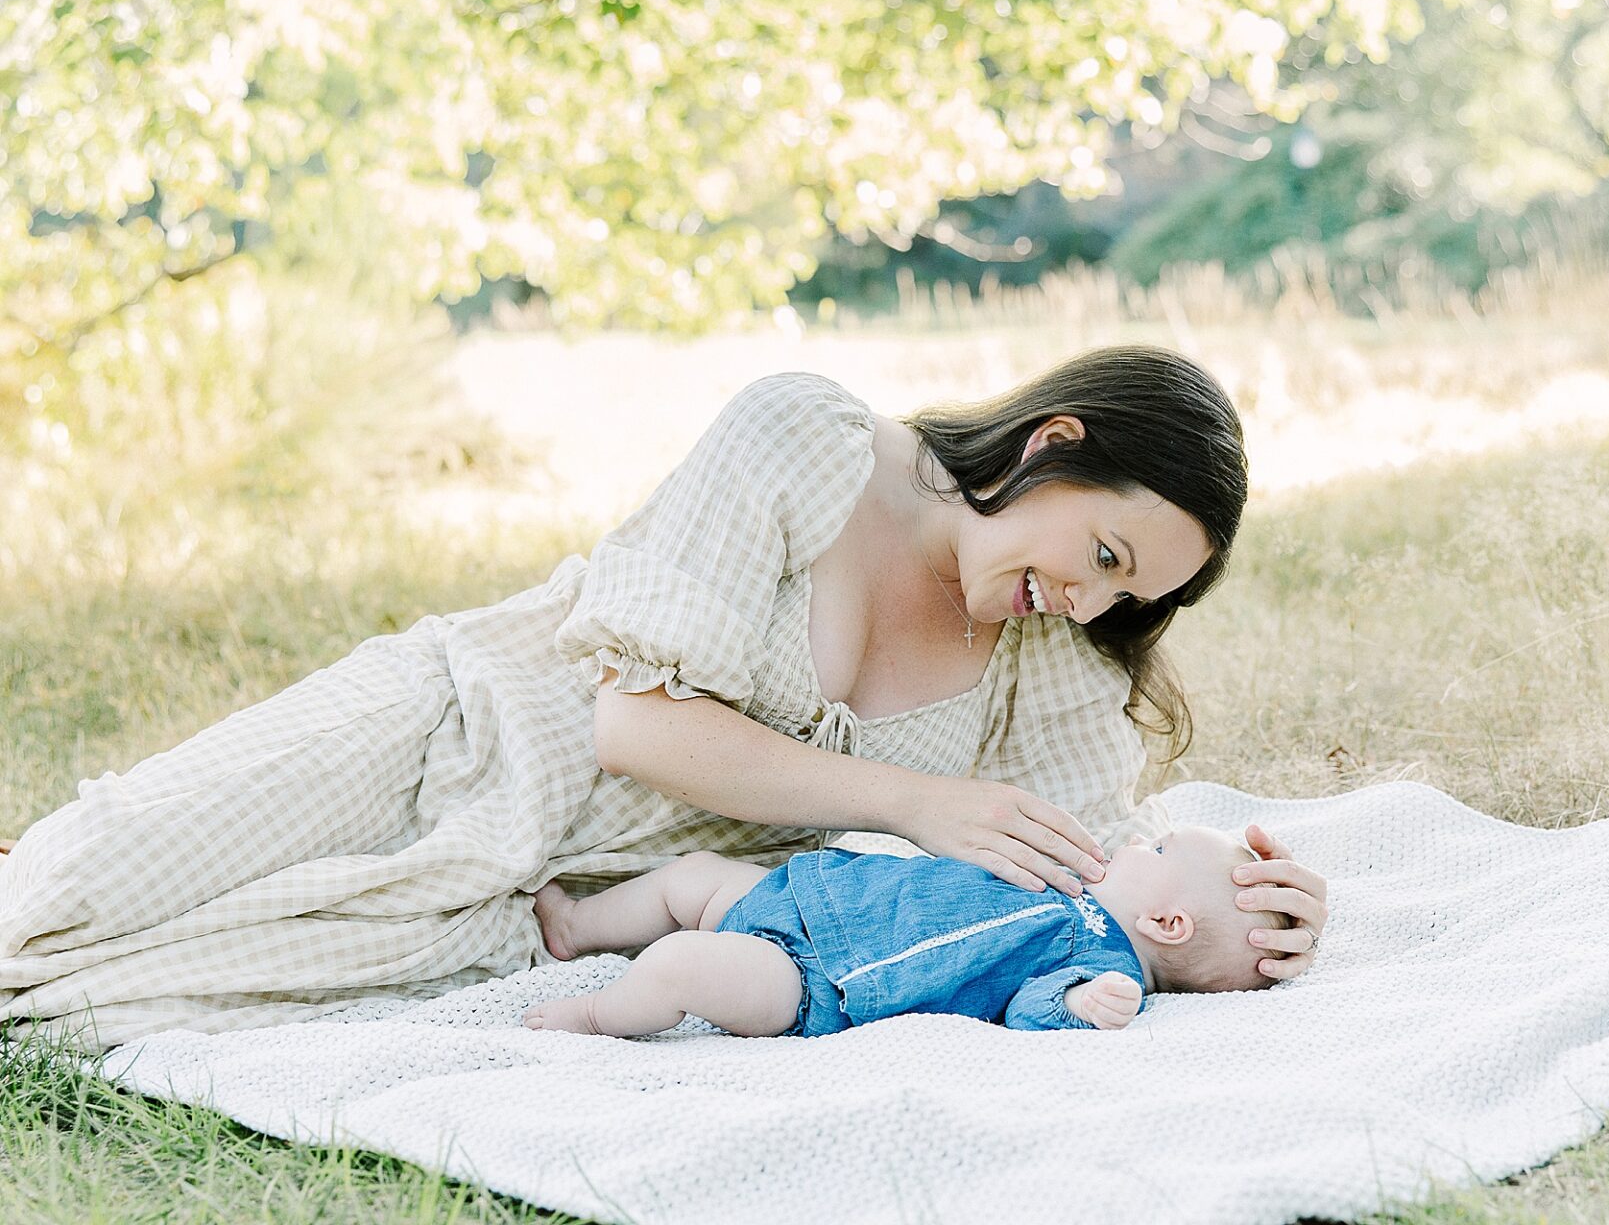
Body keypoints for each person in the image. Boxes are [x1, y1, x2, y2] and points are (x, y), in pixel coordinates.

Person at [0, 345, 1329, 1047]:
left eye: (1127, 596)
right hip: (460, 723)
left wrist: (1257, 909)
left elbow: (1092, 874)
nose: (1091, 603)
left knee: (115, 990)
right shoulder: (808, 439)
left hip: (545, 895)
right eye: (1103, 554)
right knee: (78, 882)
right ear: (1054, 444)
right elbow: (630, 718)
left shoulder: (1047, 653)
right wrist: (917, 802)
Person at [521, 824, 1290, 1038]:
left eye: (1155, 850)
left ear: (1166, 920)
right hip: (810, 898)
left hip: (820, 983)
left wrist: (1083, 1008)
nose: (1135, 843)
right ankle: (576, 925)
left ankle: (593, 1014)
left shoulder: (1094, 957)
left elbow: (1029, 1008)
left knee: (683, 964)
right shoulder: (1073, 880)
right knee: (690, 874)